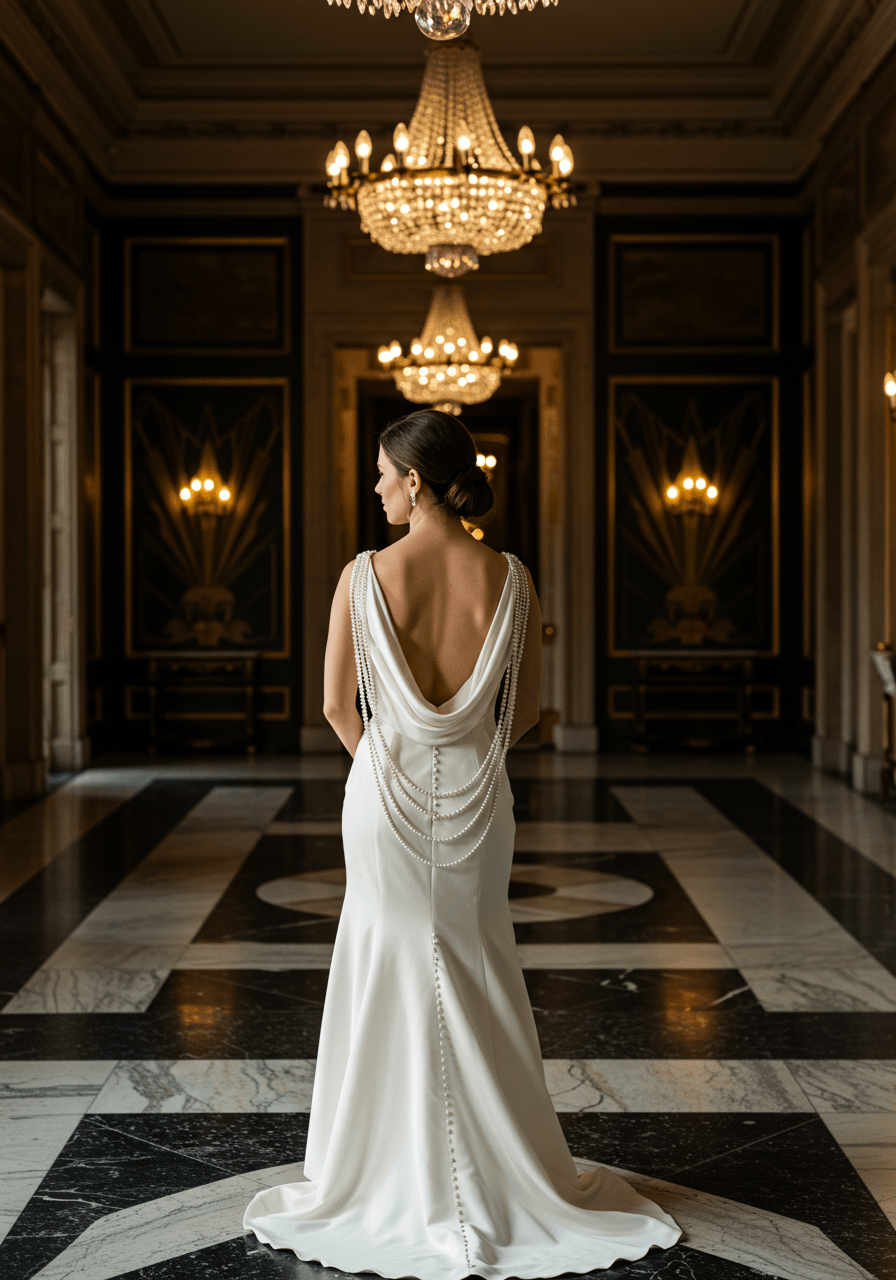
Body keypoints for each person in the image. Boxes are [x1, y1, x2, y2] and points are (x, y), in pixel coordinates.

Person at [243, 409, 680, 1277]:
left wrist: (393, 770)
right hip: (480, 798)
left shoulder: (363, 576)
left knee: (383, 958)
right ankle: (499, 1171)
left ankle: (372, 1172)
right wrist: (463, 759)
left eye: (380, 473)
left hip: (385, 796)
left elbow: (336, 707)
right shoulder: (512, 578)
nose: (373, 488)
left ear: (414, 478)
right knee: (476, 958)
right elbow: (527, 717)